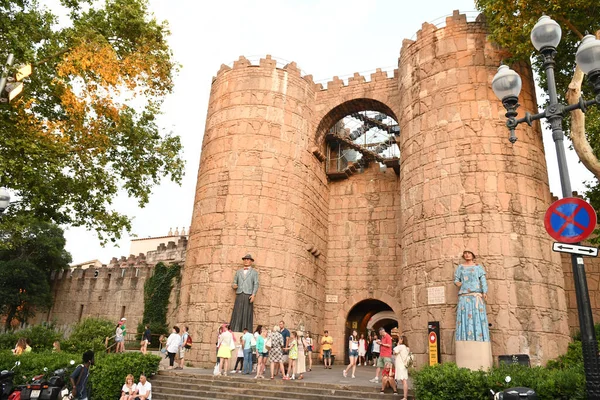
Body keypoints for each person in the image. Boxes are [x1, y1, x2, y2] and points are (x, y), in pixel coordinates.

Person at [454, 250, 492, 370]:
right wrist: (457, 283)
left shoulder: (478, 267)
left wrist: (485, 291)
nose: (467, 255)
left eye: (469, 253)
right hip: (465, 296)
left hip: (476, 295)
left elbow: (483, 280)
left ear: (473, 255)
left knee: (477, 320)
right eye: (465, 253)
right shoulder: (460, 267)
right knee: (464, 321)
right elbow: (456, 279)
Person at [230, 254, 259, 332]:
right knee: (237, 312)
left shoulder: (254, 272)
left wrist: (253, 294)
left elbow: (256, 284)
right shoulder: (238, 272)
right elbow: (234, 282)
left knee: (247, 313)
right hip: (239, 293)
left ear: (251, 261)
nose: (246, 261)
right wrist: (234, 286)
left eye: (248, 259)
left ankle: (246, 330)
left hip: (248, 294)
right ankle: (235, 329)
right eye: (245, 259)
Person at [393, 335, 410, 400]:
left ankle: (405, 397)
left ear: (402, 340)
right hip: (404, 365)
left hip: (400, 366)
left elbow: (394, 352)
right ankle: (405, 396)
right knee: (404, 380)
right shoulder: (407, 347)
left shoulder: (401, 347)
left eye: (400, 339)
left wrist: (398, 345)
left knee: (404, 381)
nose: (399, 340)